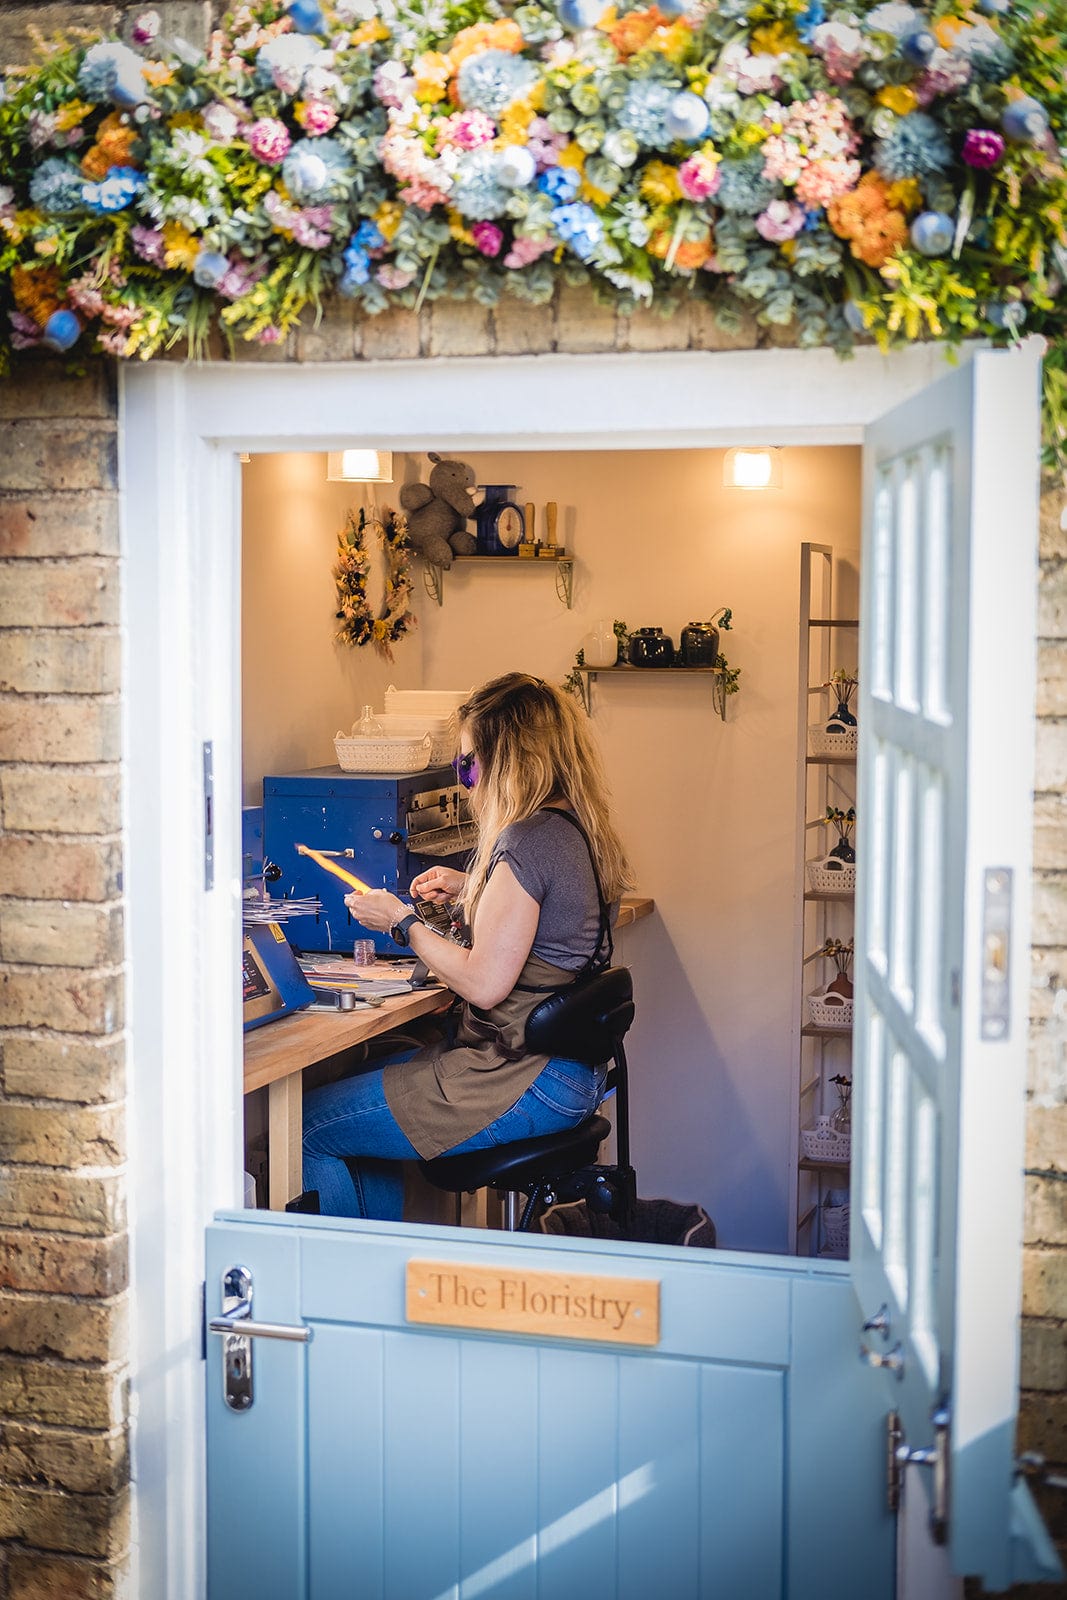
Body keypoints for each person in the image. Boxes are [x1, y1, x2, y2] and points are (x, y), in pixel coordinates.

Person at [301, 671, 633, 1219]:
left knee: (313, 1126)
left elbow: (484, 983)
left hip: (524, 1076)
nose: (464, 781)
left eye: (468, 764)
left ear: (513, 760)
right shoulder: (576, 828)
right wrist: (473, 890)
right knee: (359, 1089)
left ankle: (349, 1291)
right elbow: (552, 924)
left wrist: (402, 920)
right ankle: (382, 1279)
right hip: (573, 1074)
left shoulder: (528, 838)